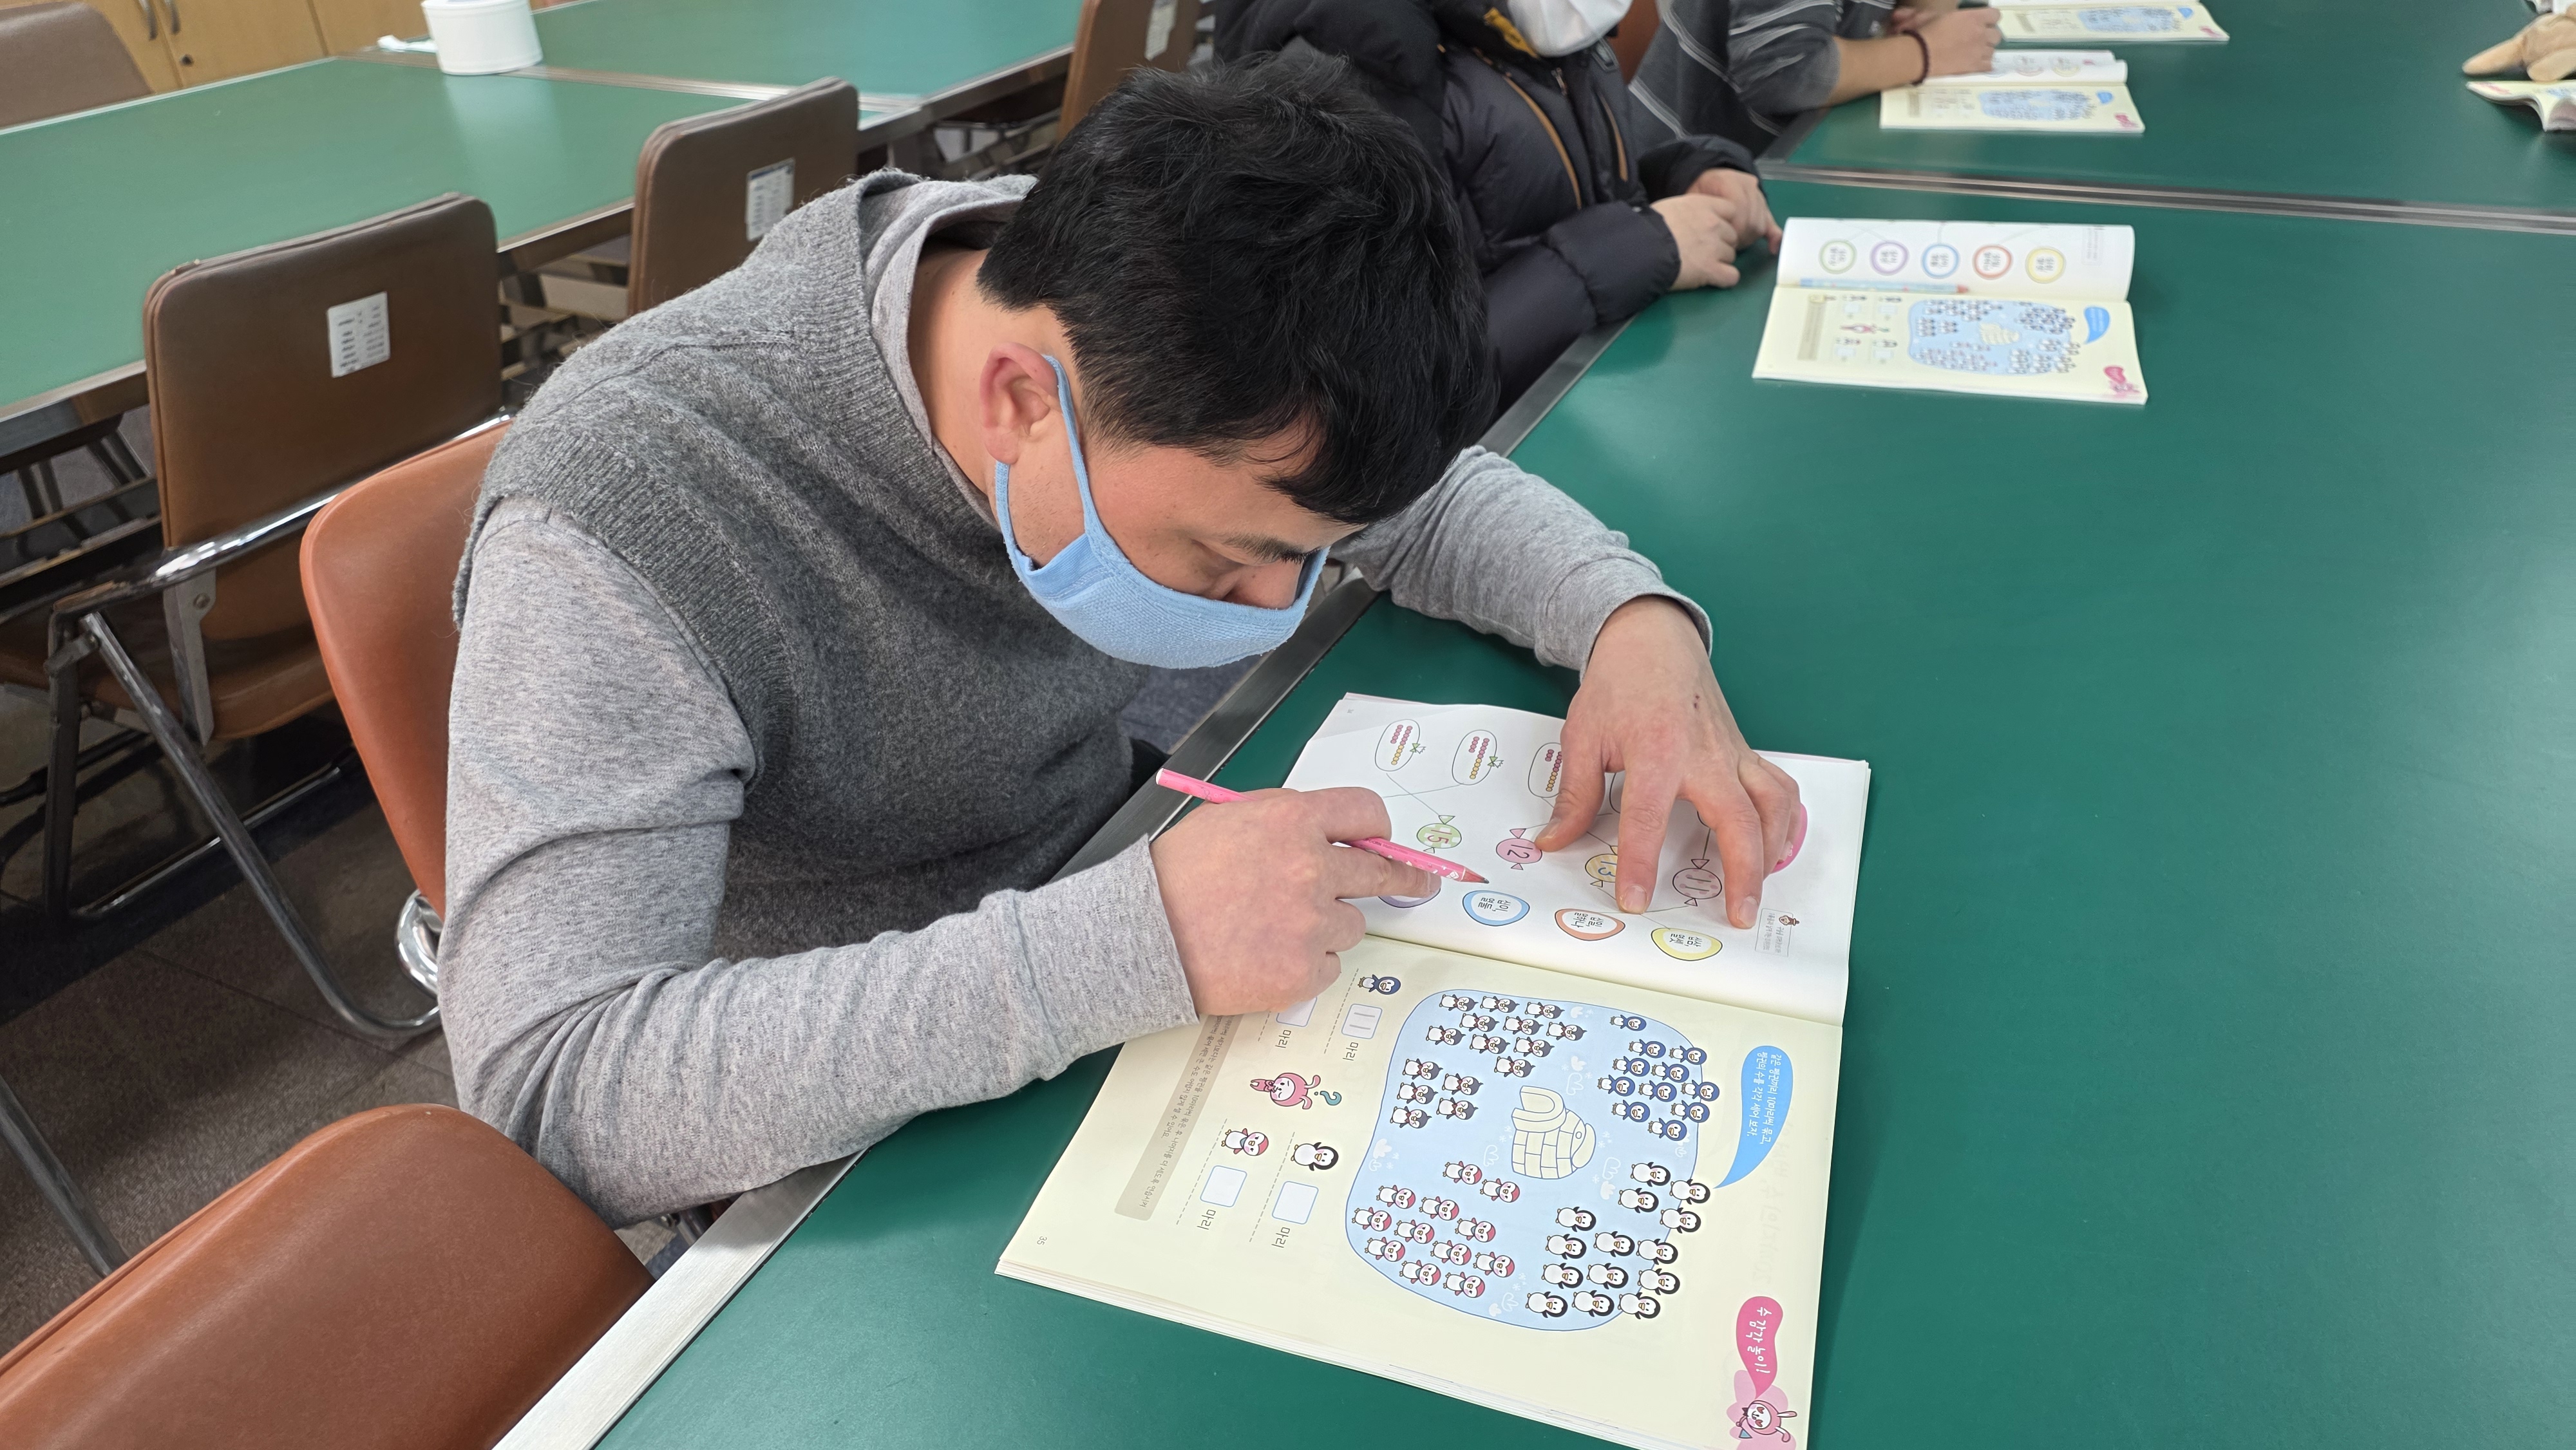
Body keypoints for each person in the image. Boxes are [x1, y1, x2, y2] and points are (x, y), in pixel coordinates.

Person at [440, 56, 1801, 1227]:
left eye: (1301, 556)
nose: (1274, 606)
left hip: (1123, 916)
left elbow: (1404, 501)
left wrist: (1628, 623)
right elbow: (555, 1085)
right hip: (851, 1141)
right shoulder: (628, 516)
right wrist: (1132, 941)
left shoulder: (1139, 304)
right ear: (1019, 403)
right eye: (1230, 553)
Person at [1215, 0, 1782, 413]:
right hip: (1470, 480)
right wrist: (1637, 246)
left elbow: (1552, 184)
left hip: (1583, 406)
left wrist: (1683, 174)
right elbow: (1386, 382)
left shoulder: (1530, 31)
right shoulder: (1346, 73)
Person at [1636, 0, 2000, 146]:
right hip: (1687, 182)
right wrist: (1925, 51)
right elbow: (1783, 72)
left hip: (1800, 143)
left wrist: (1928, 16)